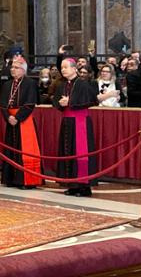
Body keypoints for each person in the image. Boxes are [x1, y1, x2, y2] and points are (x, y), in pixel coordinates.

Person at [52, 58, 99, 197]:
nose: (63, 69)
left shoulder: (82, 84)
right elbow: (56, 102)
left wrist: (70, 102)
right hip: (67, 122)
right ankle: (72, 185)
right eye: (62, 67)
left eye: (66, 67)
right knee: (68, 153)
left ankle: (84, 187)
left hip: (80, 123)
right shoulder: (62, 84)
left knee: (80, 154)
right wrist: (61, 103)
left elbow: (91, 100)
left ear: (74, 69)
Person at [0, 55, 42, 188]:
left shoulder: (30, 83)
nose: (13, 70)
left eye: (16, 67)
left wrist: (17, 118)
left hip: (24, 121)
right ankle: (11, 179)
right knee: (11, 149)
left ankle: (27, 181)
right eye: (12, 67)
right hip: (11, 121)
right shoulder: (7, 85)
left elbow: (29, 104)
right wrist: (8, 117)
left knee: (25, 149)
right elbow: (2, 105)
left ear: (23, 70)